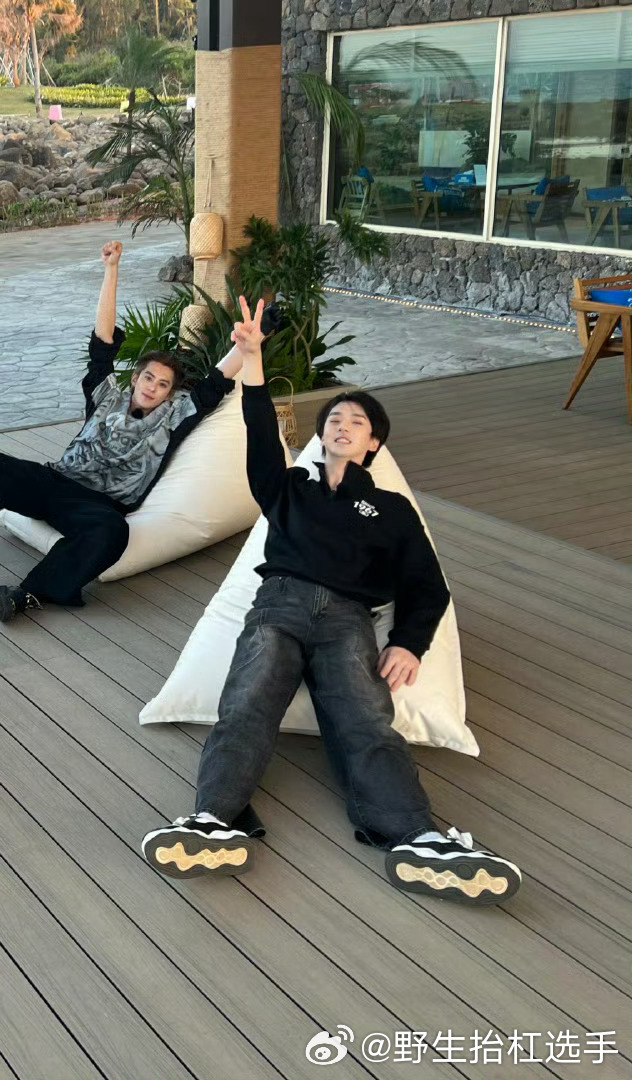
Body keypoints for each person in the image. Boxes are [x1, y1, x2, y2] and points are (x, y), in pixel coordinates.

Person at [140, 297, 522, 906]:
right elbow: (259, 433)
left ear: (372, 444)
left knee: (366, 721)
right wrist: (252, 359)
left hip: (348, 620)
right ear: (321, 437)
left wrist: (408, 643)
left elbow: (427, 586)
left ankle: (420, 838)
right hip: (279, 606)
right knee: (246, 703)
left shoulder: (391, 510)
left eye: (357, 422)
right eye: (334, 419)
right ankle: (214, 820)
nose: (342, 425)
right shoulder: (289, 488)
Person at [0, 240, 246, 622]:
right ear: (136, 377)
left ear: (170, 394)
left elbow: (216, 381)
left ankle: (32, 592)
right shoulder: (107, 397)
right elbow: (103, 344)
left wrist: (250, 344)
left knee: (113, 532)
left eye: (162, 385)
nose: (152, 387)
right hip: (53, 481)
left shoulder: (174, 418)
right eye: (148, 377)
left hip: (96, 506)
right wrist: (111, 271)